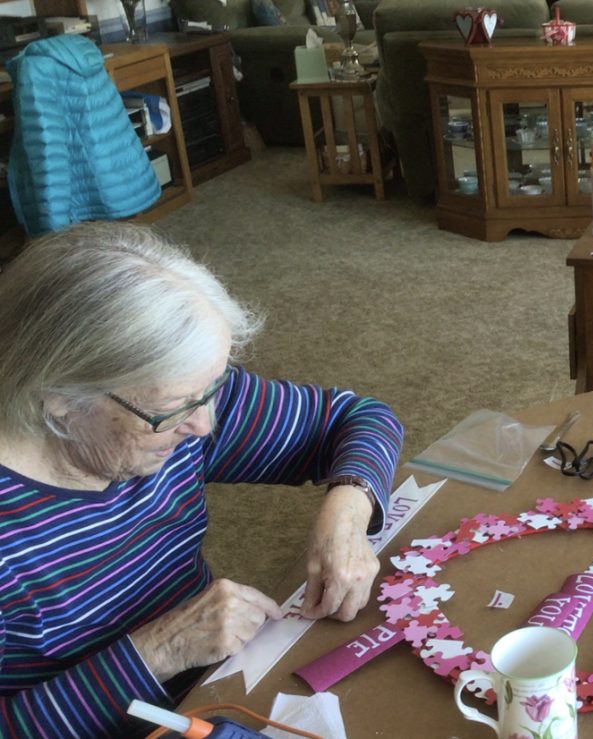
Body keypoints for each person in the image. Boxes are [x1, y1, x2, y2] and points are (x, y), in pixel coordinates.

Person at [0, 222, 403, 736]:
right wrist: (159, 650)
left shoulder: (175, 397)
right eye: (175, 410)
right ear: (60, 398)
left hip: (216, 688)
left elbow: (358, 417)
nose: (205, 426)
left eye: (212, 389)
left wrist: (345, 516)